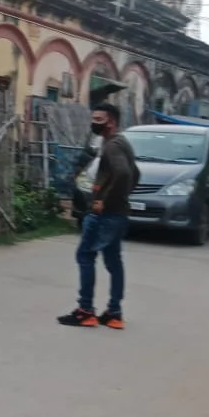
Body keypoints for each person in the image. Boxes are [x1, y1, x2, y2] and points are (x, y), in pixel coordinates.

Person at [58, 103, 138, 330]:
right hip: (118, 213)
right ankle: (114, 313)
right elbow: (135, 174)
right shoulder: (118, 143)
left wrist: (105, 199)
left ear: (111, 121)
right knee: (113, 261)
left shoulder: (113, 145)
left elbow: (123, 173)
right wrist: (120, 198)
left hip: (105, 214)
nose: (94, 123)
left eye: (99, 119)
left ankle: (86, 311)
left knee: (85, 256)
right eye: (94, 118)